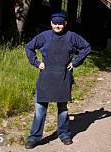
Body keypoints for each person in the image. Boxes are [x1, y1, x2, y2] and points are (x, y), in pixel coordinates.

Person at [24, 12, 91, 149]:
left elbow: (86, 47)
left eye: (60, 23)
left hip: (63, 76)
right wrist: (36, 63)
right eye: (55, 23)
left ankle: (64, 134)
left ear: (65, 24)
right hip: (46, 77)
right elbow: (29, 47)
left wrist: (76, 62)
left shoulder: (72, 36)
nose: (58, 26)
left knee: (63, 109)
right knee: (40, 108)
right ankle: (34, 137)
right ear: (51, 23)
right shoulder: (44, 36)